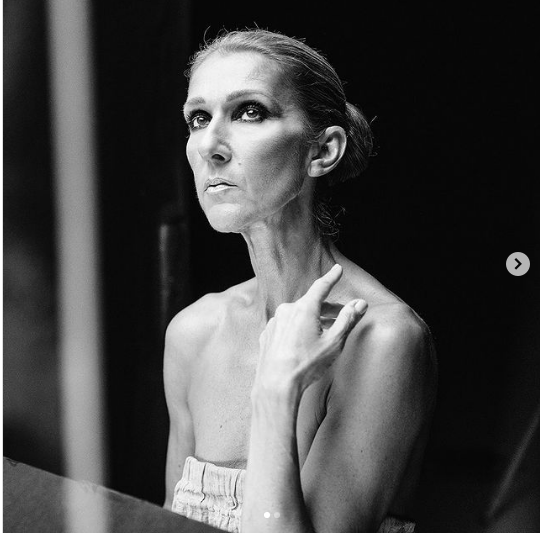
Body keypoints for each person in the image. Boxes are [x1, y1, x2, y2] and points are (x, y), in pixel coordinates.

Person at [163, 28, 437, 533]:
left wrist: (275, 396)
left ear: (323, 150)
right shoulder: (192, 332)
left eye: (249, 111)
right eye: (198, 118)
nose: (209, 146)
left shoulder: (383, 339)